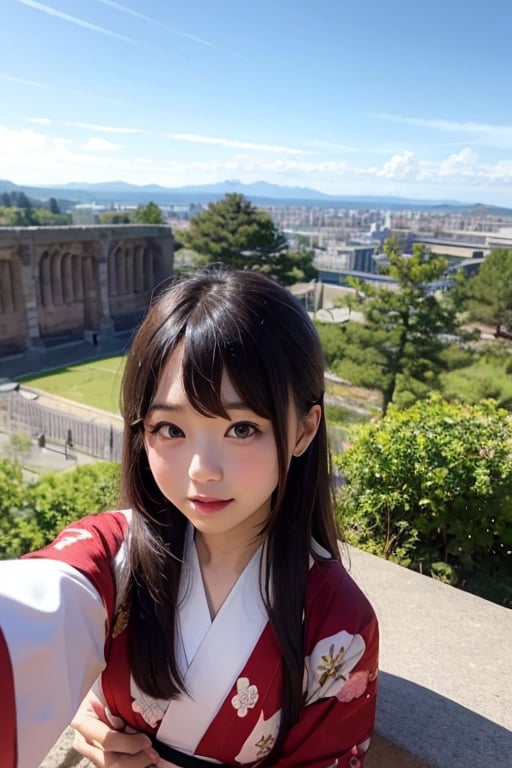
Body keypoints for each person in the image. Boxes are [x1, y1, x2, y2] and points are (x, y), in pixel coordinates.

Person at [0, 267, 379, 768]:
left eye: (242, 428)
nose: (202, 472)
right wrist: (80, 704)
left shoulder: (340, 624)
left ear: (305, 430)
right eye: (170, 429)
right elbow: (33, 607)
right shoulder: (108, 553)